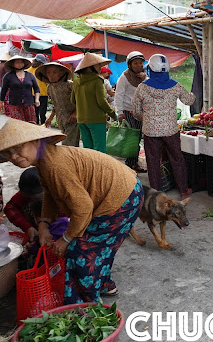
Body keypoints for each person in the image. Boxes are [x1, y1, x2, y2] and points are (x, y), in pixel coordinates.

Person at [0, 115, 143, 303]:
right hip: (125, 192)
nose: (14, 157)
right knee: (99, 247)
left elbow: (83, 209)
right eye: (8, 153)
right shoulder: (45, 162)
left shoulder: (55, 165)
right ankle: (104, 284)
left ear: (34, 141)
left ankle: (86, 306)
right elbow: (50, 194)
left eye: (18, 149)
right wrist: (43, 225)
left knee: (80, 251)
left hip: (121, 198)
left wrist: (66, 239)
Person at [132, 54, 195, 197]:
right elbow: (189, 101)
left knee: (153, 161)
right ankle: (183, 190)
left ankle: (156, 193)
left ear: (151, 69)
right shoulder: (175, 86)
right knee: (177, 158)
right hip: (170, 131)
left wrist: (145, 118)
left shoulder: (142, 88)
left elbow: (135, 111)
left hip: (150, 132)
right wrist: (192, 94)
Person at [4, 167, 69, 254]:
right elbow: (10, 208)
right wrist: (28, 227)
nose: (32, 200)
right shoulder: (28, 192)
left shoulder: (64, 198)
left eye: (36, 198)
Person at [71, 53, 117, 152]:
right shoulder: (97, 80)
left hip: (82, 120)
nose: (100, 67)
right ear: (89, 67)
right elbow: (102, 102)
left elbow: (72, 100)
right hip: (96, 120)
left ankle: (90, 168)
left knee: (88, 149)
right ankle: (100, 168)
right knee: (99, 150)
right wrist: (113, 114)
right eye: (98, 65)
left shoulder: (76, 81)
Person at [115, 52, 146, 172]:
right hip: (128, 112)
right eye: (135, 63)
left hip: (140, 113)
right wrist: (120, 112)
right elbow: (119, 95)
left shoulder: (144, 76)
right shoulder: (124, 78)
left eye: (140, 63)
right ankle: (130, 164)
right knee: (132, 139)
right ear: (129, 64)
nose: (139, 65)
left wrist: (144, 79)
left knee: (138, 138)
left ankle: (133, 162)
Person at [37, 62, 80, 147]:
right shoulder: (49, 87)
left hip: (73, 119)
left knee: (68, 144)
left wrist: (75, 113)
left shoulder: (70, 85)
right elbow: (55, 105)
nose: (51, 75)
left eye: (54, 72)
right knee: (68, 144)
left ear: (61, 73)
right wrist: (50, 118)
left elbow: (80, 100)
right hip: (61, 120)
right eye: (48, 72)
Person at [0, 56, 39, 123]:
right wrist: (1, 103)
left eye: (21, 62)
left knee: (31, 123)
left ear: (24, 64)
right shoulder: (8, 76)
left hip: (29, 104)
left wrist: (37, 99)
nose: (19, 64)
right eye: (17, 62)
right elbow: (4, 90)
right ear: (13, 64)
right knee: (18, 124)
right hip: (15, 104)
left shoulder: (30, 75)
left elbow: (36, 88)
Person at [27, 54, 49, 125]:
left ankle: (36, 125)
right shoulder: (43, 71)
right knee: (43, 112)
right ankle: (43, 124)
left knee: (35, 112)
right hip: (43, 94)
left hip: (32, 94)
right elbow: (47, 82)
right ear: (40, 63)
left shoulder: (28, 70)